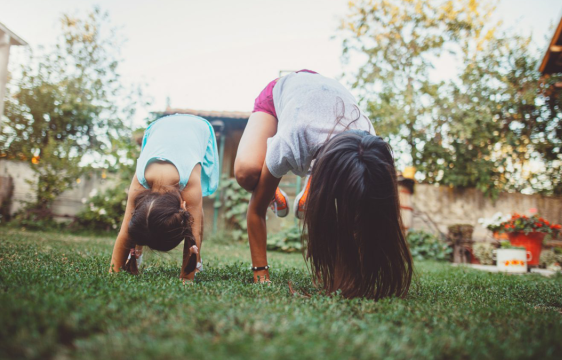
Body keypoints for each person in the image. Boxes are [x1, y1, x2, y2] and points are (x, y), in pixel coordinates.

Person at [234, 70, 413, 299]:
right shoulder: (291, 140)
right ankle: (273, 192)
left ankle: (310, 192)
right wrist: (261, 273)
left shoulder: (369, 145)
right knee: (246, 173)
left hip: (326, 95)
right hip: (283, 92)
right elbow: (255, 211)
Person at [110, 114, 219, 282]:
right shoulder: (139, 183)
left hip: (197, 127)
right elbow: (127, 229)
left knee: (195, 209)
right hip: (157, 128)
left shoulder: (190, 182)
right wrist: (114, 272)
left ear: (182, 206)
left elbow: (193, 232)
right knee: (143, 219)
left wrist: (187, 277)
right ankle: (134, 257)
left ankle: (197, 262)